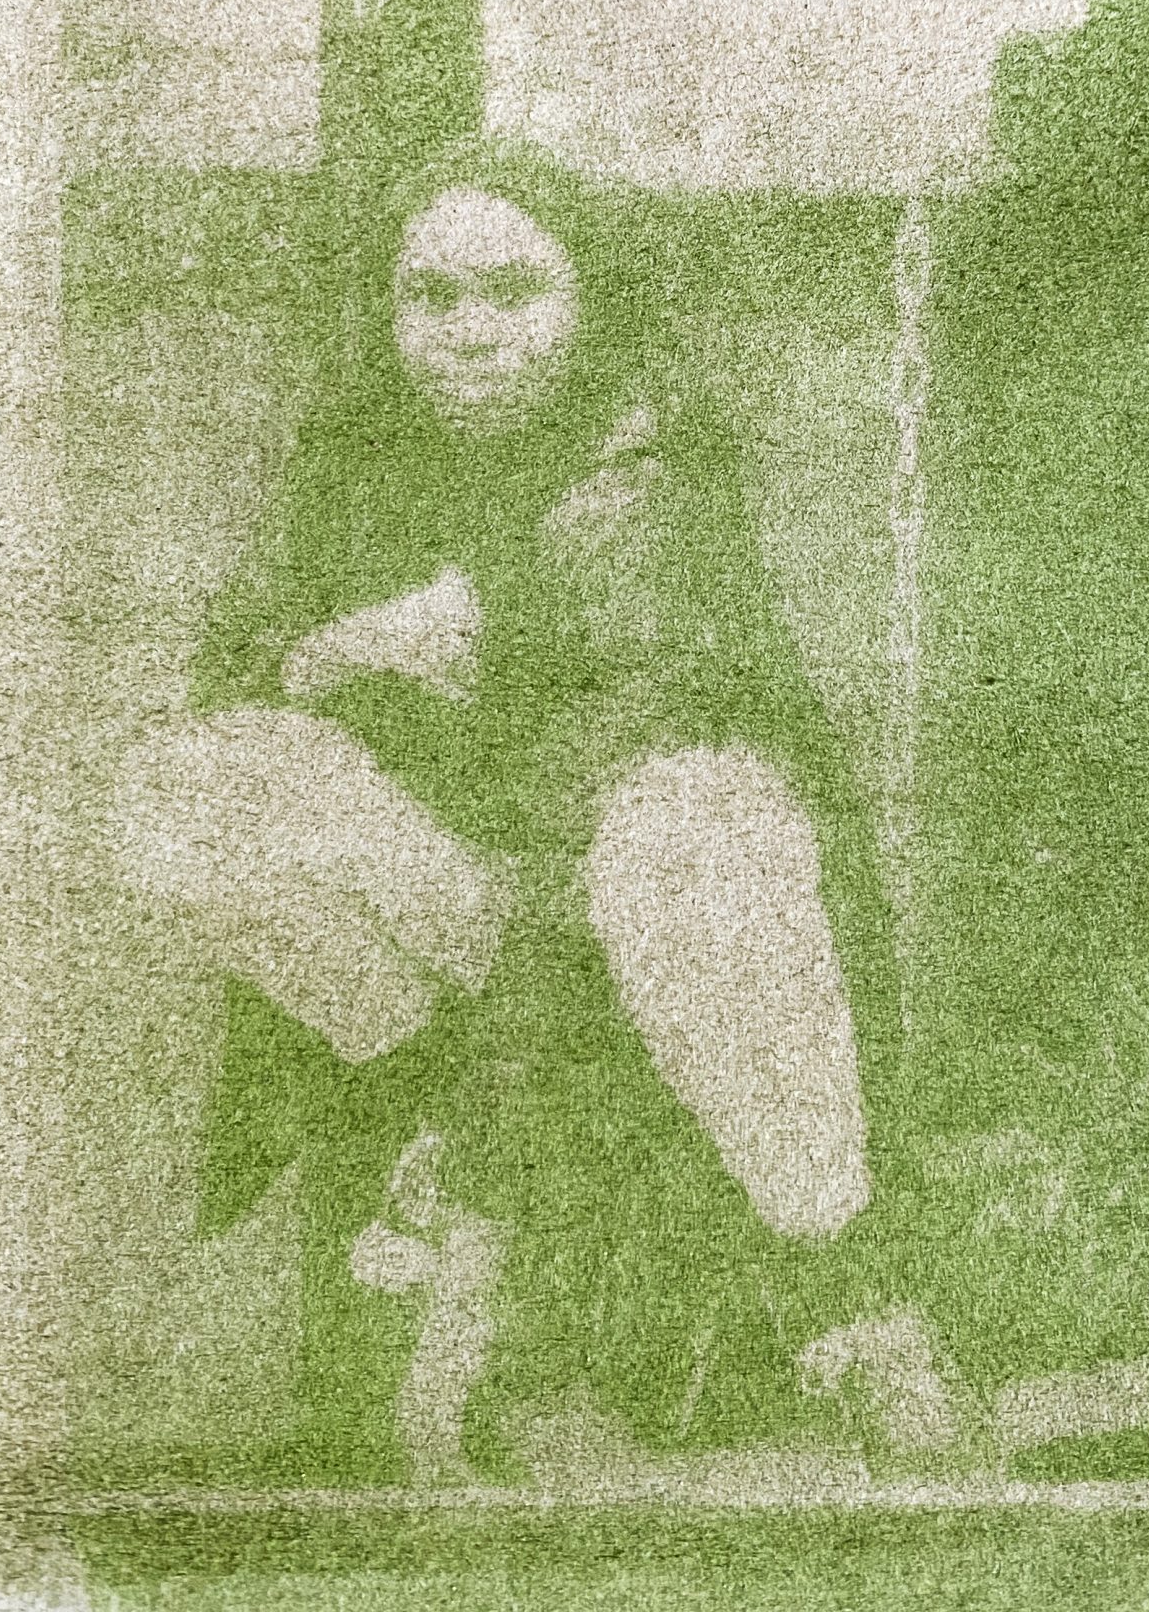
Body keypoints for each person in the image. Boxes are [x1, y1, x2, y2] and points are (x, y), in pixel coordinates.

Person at [119, 144, 947, 1488]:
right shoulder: (352, 452)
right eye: (429, 297)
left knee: (691, 825)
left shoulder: (655, 453)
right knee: (183, 791)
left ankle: (844, 1282)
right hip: (469, 906)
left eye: (513, 292)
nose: (469, 333)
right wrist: (349, 646)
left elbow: (635, 717)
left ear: (587, 302)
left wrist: (457, 640)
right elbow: (237, 665)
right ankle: (423, 1086)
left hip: (654, 901)